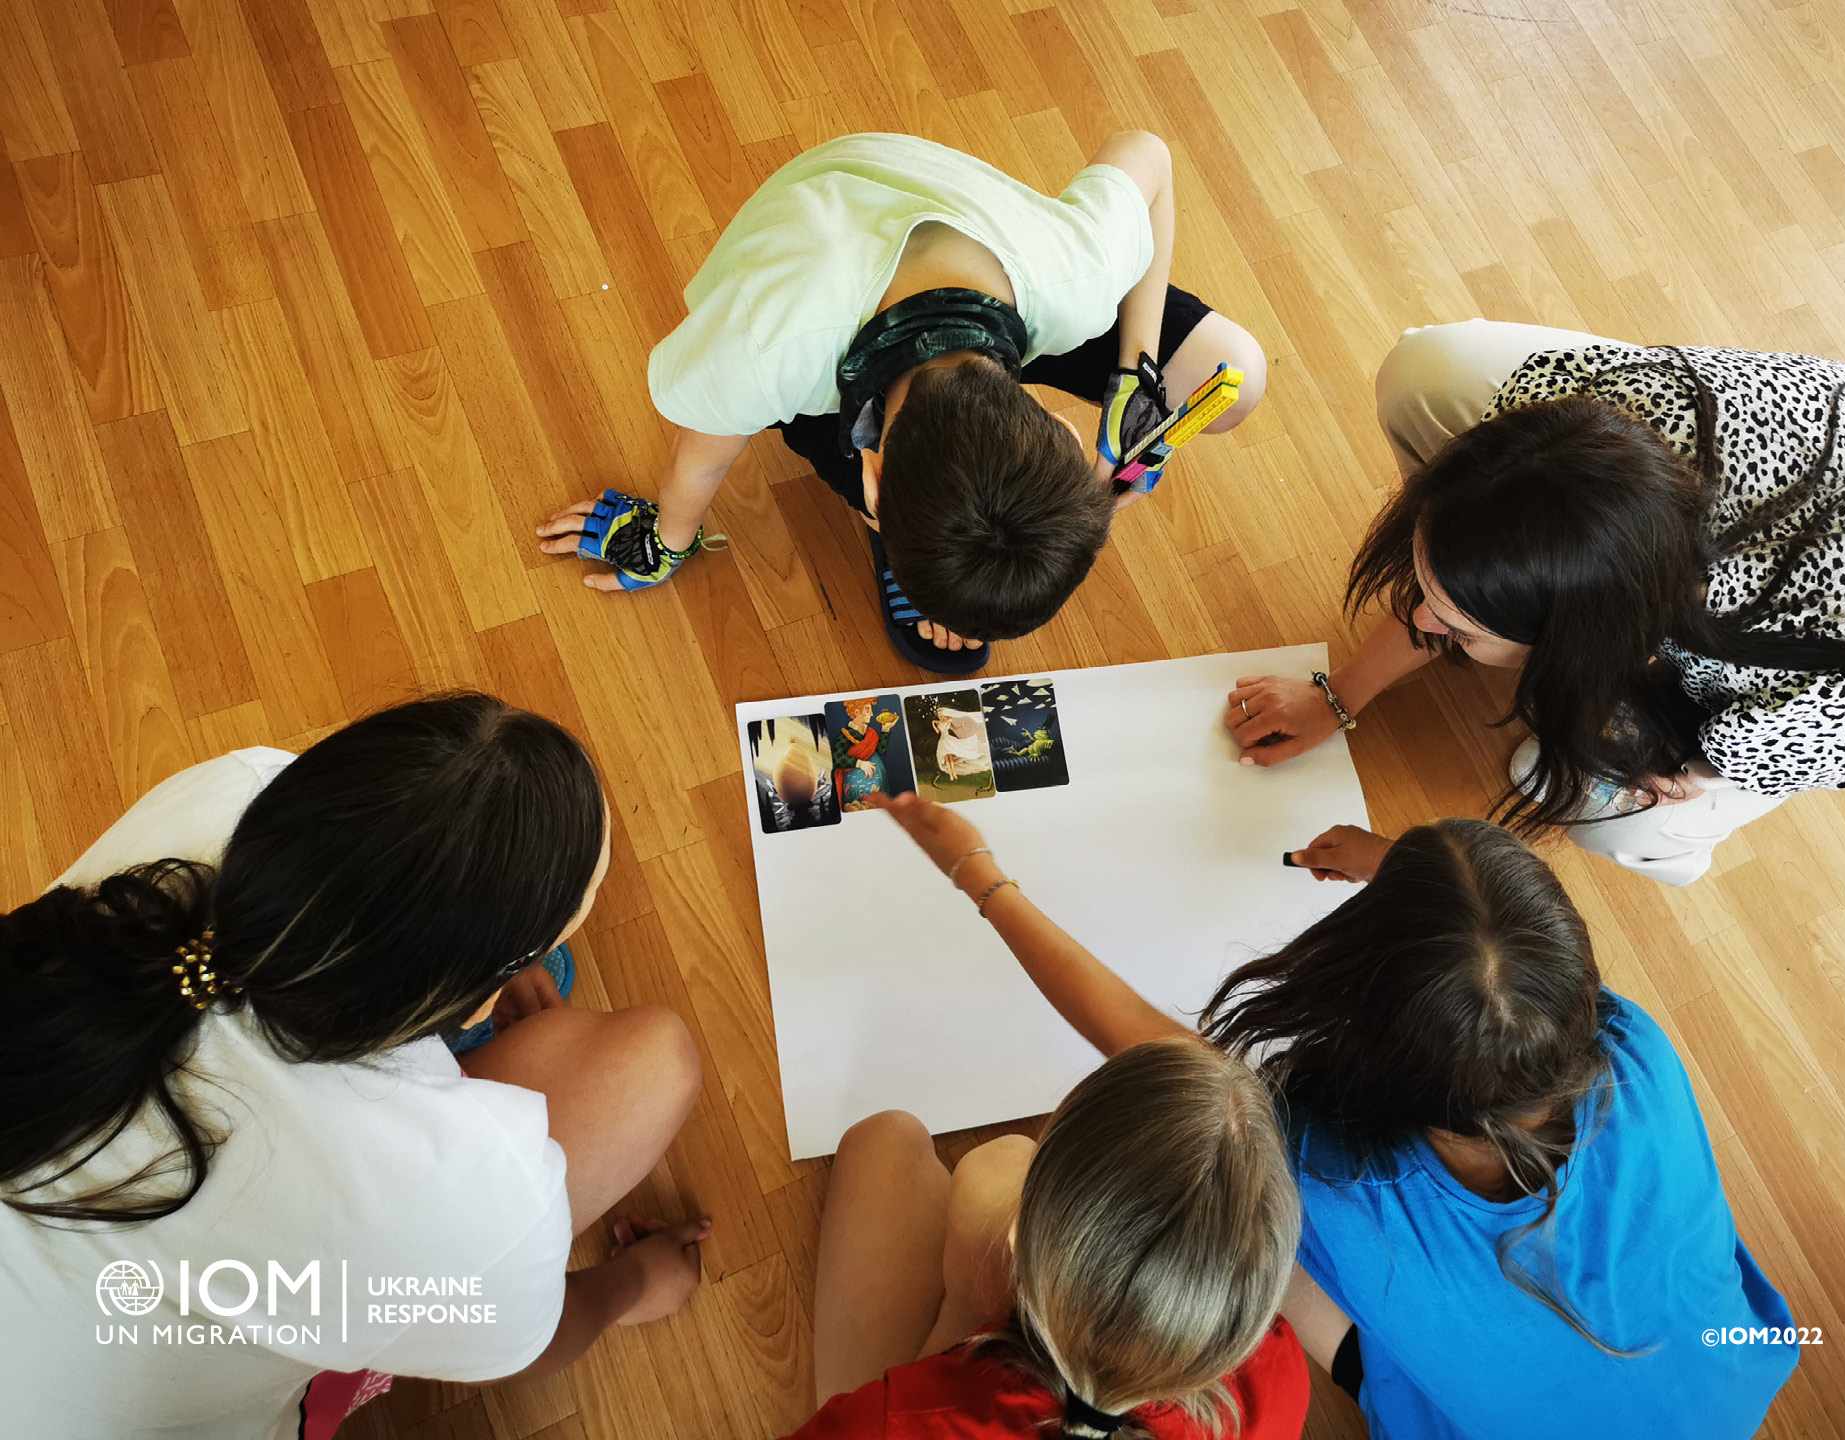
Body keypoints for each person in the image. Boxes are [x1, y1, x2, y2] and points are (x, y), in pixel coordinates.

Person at [871, 793, 1797, 1439]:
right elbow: (1503, 988)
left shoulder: (1333, 1176)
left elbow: (1143, 1045)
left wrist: (978, 874)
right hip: (1728, 1381)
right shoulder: (1633, 1044)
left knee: (1227, 1204)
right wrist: (1395, 869)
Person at [1, 696, 706, 1440]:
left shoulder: (238, 784)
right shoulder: (456, 1199)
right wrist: (631, 1284)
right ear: (483, 987)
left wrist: (470, 982)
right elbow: (513, 1344)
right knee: (654, 1064)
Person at [534, 131, 1266, 674]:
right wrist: (665, 538)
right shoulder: (767, 350)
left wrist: (1134, 375)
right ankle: (932, 520)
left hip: (996, 267)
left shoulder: (1081, 271)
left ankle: (936, 516)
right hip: (827, 237)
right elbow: (697, 461)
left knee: (1236, 375)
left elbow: (1154, 155)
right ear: (870, 482)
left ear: (1072, 441)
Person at [1225, 319, 1845, 884]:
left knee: (1604, 808)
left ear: (1581, 644)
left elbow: (1708, 759)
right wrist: (1341, 695)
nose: (1420, 620)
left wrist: (1679, 769)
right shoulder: (1589, 409)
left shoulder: (1822, 695)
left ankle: (1672, 843)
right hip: (1825, 466)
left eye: (1457, 624)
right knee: (1424, 373)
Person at [789, 1037, 1309, 1439]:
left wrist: (968, 1310)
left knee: (886, 1141)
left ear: (1017, 1240)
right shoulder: (1279, 1373)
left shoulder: (893, 1422)